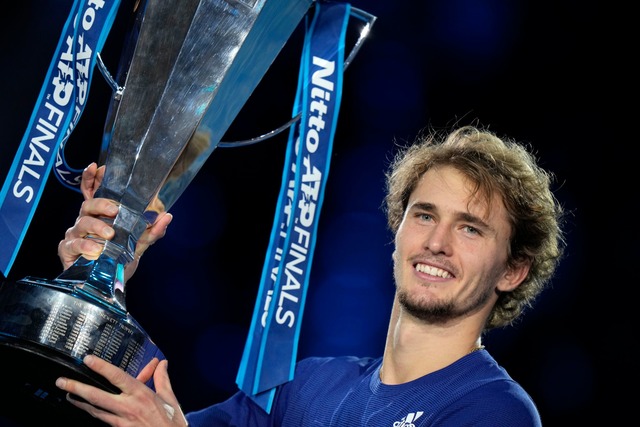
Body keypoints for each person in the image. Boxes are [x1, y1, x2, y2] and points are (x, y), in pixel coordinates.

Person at [54, 125, 565, 426]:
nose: (436, 242)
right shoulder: (304, 386)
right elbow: (129, 410)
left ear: (513, 270)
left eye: (471, 229)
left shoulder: (493, 412)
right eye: (425, 215)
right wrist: (104, 276)